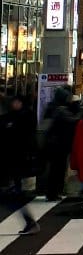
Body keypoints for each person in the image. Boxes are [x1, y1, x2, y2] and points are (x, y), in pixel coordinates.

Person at [0, 94, 40, 234]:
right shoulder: (13, 118)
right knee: (12, 194)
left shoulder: (19, 118)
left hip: (12, 161)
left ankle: (30, 221)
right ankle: (30, 222)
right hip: (12, 162)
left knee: (11, 195)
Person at [39, 84, 79, 201]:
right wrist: (79, 109)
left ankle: (52, 191)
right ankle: (54, 192)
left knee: (53, 169)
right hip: (59, 144)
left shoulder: (51, 107)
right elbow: (73, 120)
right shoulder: (61, 110)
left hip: (51, 142)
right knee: (58, 169)